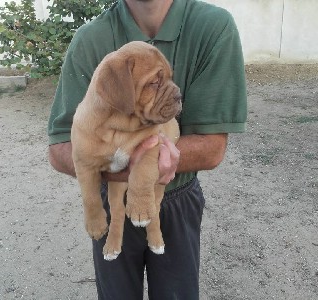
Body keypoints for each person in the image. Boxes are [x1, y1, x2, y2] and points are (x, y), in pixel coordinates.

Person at [48, 0, 247, 299]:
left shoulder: (212, 27)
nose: (174, 93)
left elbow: (212, 149)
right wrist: (122, 168)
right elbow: (60, 147)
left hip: (176, 196)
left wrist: (146, 168)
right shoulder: (90, 39)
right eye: (156, 83)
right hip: (110, 197)